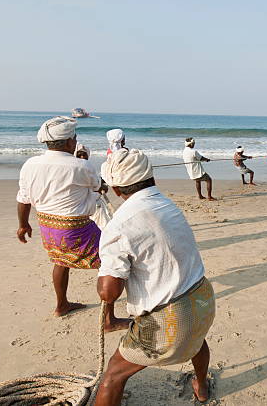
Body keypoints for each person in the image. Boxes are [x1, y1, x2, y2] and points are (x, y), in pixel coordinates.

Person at [96, 148, 216, 405]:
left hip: (171, 319)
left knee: (113, 376)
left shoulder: (119, 225)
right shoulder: (165, 203)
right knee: (197, 340)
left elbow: (108, 292)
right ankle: (201, 386)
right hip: (203, 299)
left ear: (116, 189)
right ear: (151, 177)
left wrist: (106, 268)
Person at [16, 116, 128, 331]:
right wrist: (101, 182)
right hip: (76, 229)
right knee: (111, 260)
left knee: (60, 261)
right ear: (69, 142)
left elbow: (23, 198)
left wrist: (23, 225)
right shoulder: (81, 166)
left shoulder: (31, 164)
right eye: (74, 138)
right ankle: (109, 320)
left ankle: (62, 305)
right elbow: (99, 188)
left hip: (48, 228)